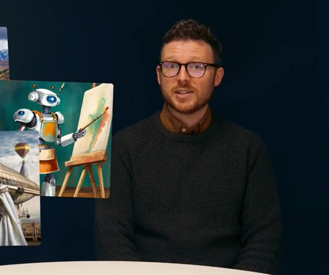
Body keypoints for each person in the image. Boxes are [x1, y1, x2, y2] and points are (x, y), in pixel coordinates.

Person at [94, 19, 282, 274]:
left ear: (217, 76)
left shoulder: (248, 149)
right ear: (159, 75)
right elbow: (111, 240)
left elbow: (264, 243)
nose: (182, 78)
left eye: (197, 67)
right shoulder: (125, 146)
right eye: (171, 66)